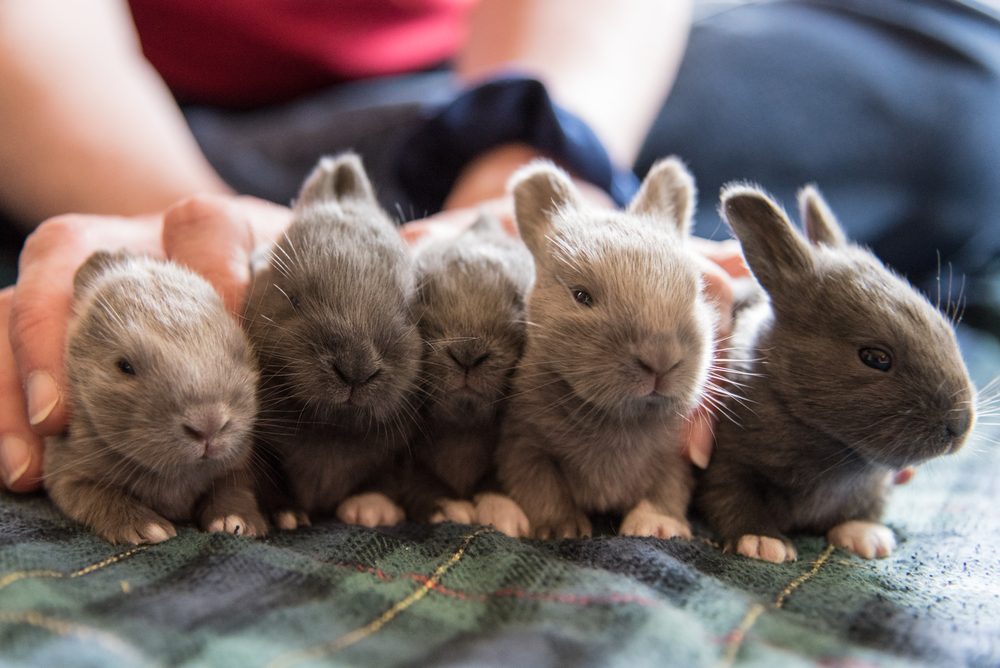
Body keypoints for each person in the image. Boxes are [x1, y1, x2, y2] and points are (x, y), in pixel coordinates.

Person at [1, 0, 998, 493]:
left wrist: (525, 194)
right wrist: (189, 237)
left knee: (967, 109)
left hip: (496, 79)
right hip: (148, 111)